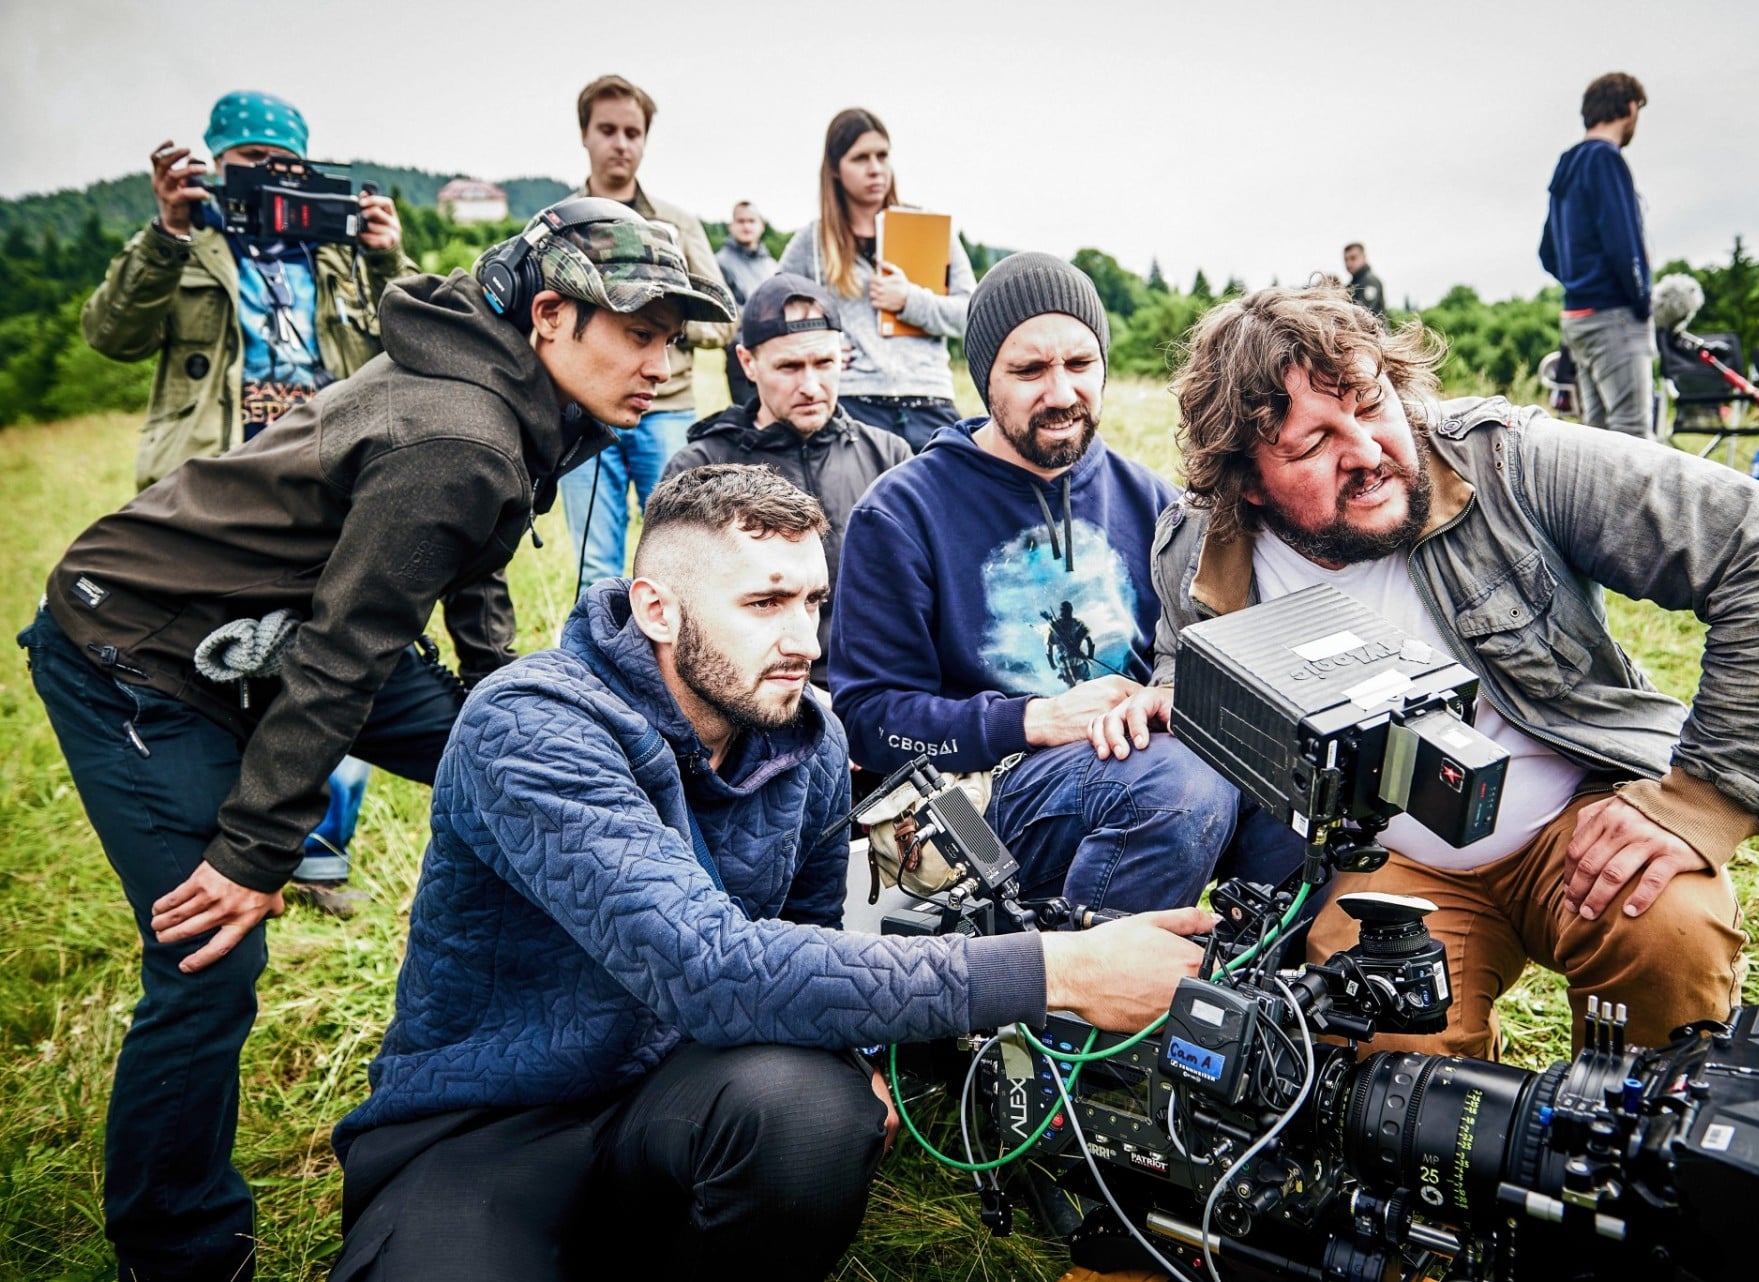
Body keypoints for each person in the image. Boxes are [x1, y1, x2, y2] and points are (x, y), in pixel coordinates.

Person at [20, 198, 734, 1282]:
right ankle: (179, 1252)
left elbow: (475, 558)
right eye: (639, 333)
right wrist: (256, 851)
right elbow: (342, 659)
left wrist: (505, 706)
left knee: (532, 773)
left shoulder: (516, 393)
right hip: (139, 649)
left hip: (288, 624)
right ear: (550, 315)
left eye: (672, 342)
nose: (662, 366)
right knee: (209, 951)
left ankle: (584, 1042)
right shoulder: (458, 432)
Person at [329, 464, 1213, 1280]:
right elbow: (708, 966)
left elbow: (807, 931)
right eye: (764, 602)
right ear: (657, 610)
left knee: (817, 1114)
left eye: (813, 601)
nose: (803, 640)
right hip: (494, 1118)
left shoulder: (809, 738)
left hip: (677, 1095)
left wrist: (852, 1056)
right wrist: (1062, 969)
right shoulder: (531, 725)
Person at [1106, 284, 1759, 1060]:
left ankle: (1647, 1126)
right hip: (1388, 863)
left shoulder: (1509, 460)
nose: (1368, 453)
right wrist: (1172, 690)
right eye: (1313, 445)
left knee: (1667, 929)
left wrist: (1703, 801)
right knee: (1375, 1039)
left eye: (1372, 404)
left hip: (1580, 816)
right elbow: (1188, 649)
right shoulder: (1197, 545)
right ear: (1246, 480)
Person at [831, 252, 1248, 914]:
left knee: (1295, 799)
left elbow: (1201, 656)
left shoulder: (1154, 502)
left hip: (1140, 756)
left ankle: (1259, 977)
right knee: (1178, 784)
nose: (1060, 393)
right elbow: (869, 721)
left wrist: (1169, 696)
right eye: (1029, 370)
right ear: (984, 380)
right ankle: (1076, 978)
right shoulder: (900, 512)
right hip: (971, 801)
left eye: (1080, 364)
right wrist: (1036, 719)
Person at [82, 89, 416, 905]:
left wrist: (385, 257)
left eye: (286, 165)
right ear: (217, 164)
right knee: (208, 665)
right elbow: (111, 334)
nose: (270, 178)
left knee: (337, 657)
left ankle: (320, 855)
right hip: (216, 488)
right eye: (250, 163)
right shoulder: (188, 246)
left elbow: (416, 345)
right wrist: (166, 232)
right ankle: (229, 854)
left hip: (326, 486)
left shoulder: (337, 251)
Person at [663, 273, 909, 688]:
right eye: (789, 367)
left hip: (878, 687)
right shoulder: (700, 468)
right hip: (758, 691)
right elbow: (681, 618)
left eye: (824, 363)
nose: (810, 386)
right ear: (748, 363)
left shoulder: (890, 458)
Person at [559, 74, 736, 588]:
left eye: (632, 133)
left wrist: (662, 329)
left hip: (665, 407)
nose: (620, 143)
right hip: (583, 413)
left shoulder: (677, 226)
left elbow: (724, 319)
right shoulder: (560, 223)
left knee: (678, 557)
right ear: (585, 134)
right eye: (607, 130)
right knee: (595, 567)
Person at [779, 107, 975, 452]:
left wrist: (909, 300)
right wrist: (816, 344)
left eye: (882, 156)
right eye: (861, 158)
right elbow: (770, 312)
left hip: (929, 399)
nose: (875, 168)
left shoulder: (930, 229)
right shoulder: (812, 242)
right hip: (852, 401)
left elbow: (970, 314)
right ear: (835, 168)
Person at [1540, 72, 1656, 437]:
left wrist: (1580, 282)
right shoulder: (1606, 159)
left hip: (1577, 318)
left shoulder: (1568, 164)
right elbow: (1623, 242)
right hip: (1614, 315)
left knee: (1599, 438)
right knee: (1634, 436)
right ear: (1629, 107)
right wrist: (1642, 299)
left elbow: (1547, 252)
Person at [714, 200, 778, 405]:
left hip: (773, 348)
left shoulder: (772, 266)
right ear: (731, 225)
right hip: (741, 352)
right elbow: (725, 309)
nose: (746, 226)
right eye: (741, 221)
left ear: (762, 225)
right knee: (748, 412)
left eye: (751, 221)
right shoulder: (719, 263)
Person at [1344, 241, 1387, 317]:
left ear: (1364, 258)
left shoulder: (1370, 282)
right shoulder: (1352, 284)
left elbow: (1363, 313)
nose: (1349, 263)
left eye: (1353, 258)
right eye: (1346, 260)